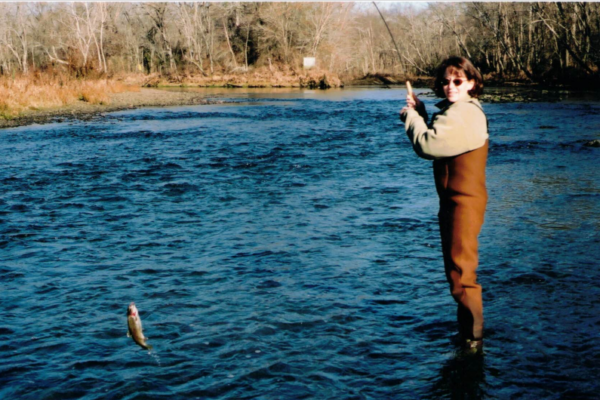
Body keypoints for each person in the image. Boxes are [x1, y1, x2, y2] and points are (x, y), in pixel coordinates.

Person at [400, 56, 489, 354]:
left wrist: (411, 118)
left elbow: (428, 145)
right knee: (456, 272)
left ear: (471, 84)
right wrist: (423, 113)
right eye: (445, 82)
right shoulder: (459, 112)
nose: (450, 86)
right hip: (455, 202)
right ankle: (467, 336)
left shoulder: (463, 113)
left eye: (457, 81)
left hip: (463, 204)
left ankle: (474, 344)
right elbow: (443, 135)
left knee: (462, 276)